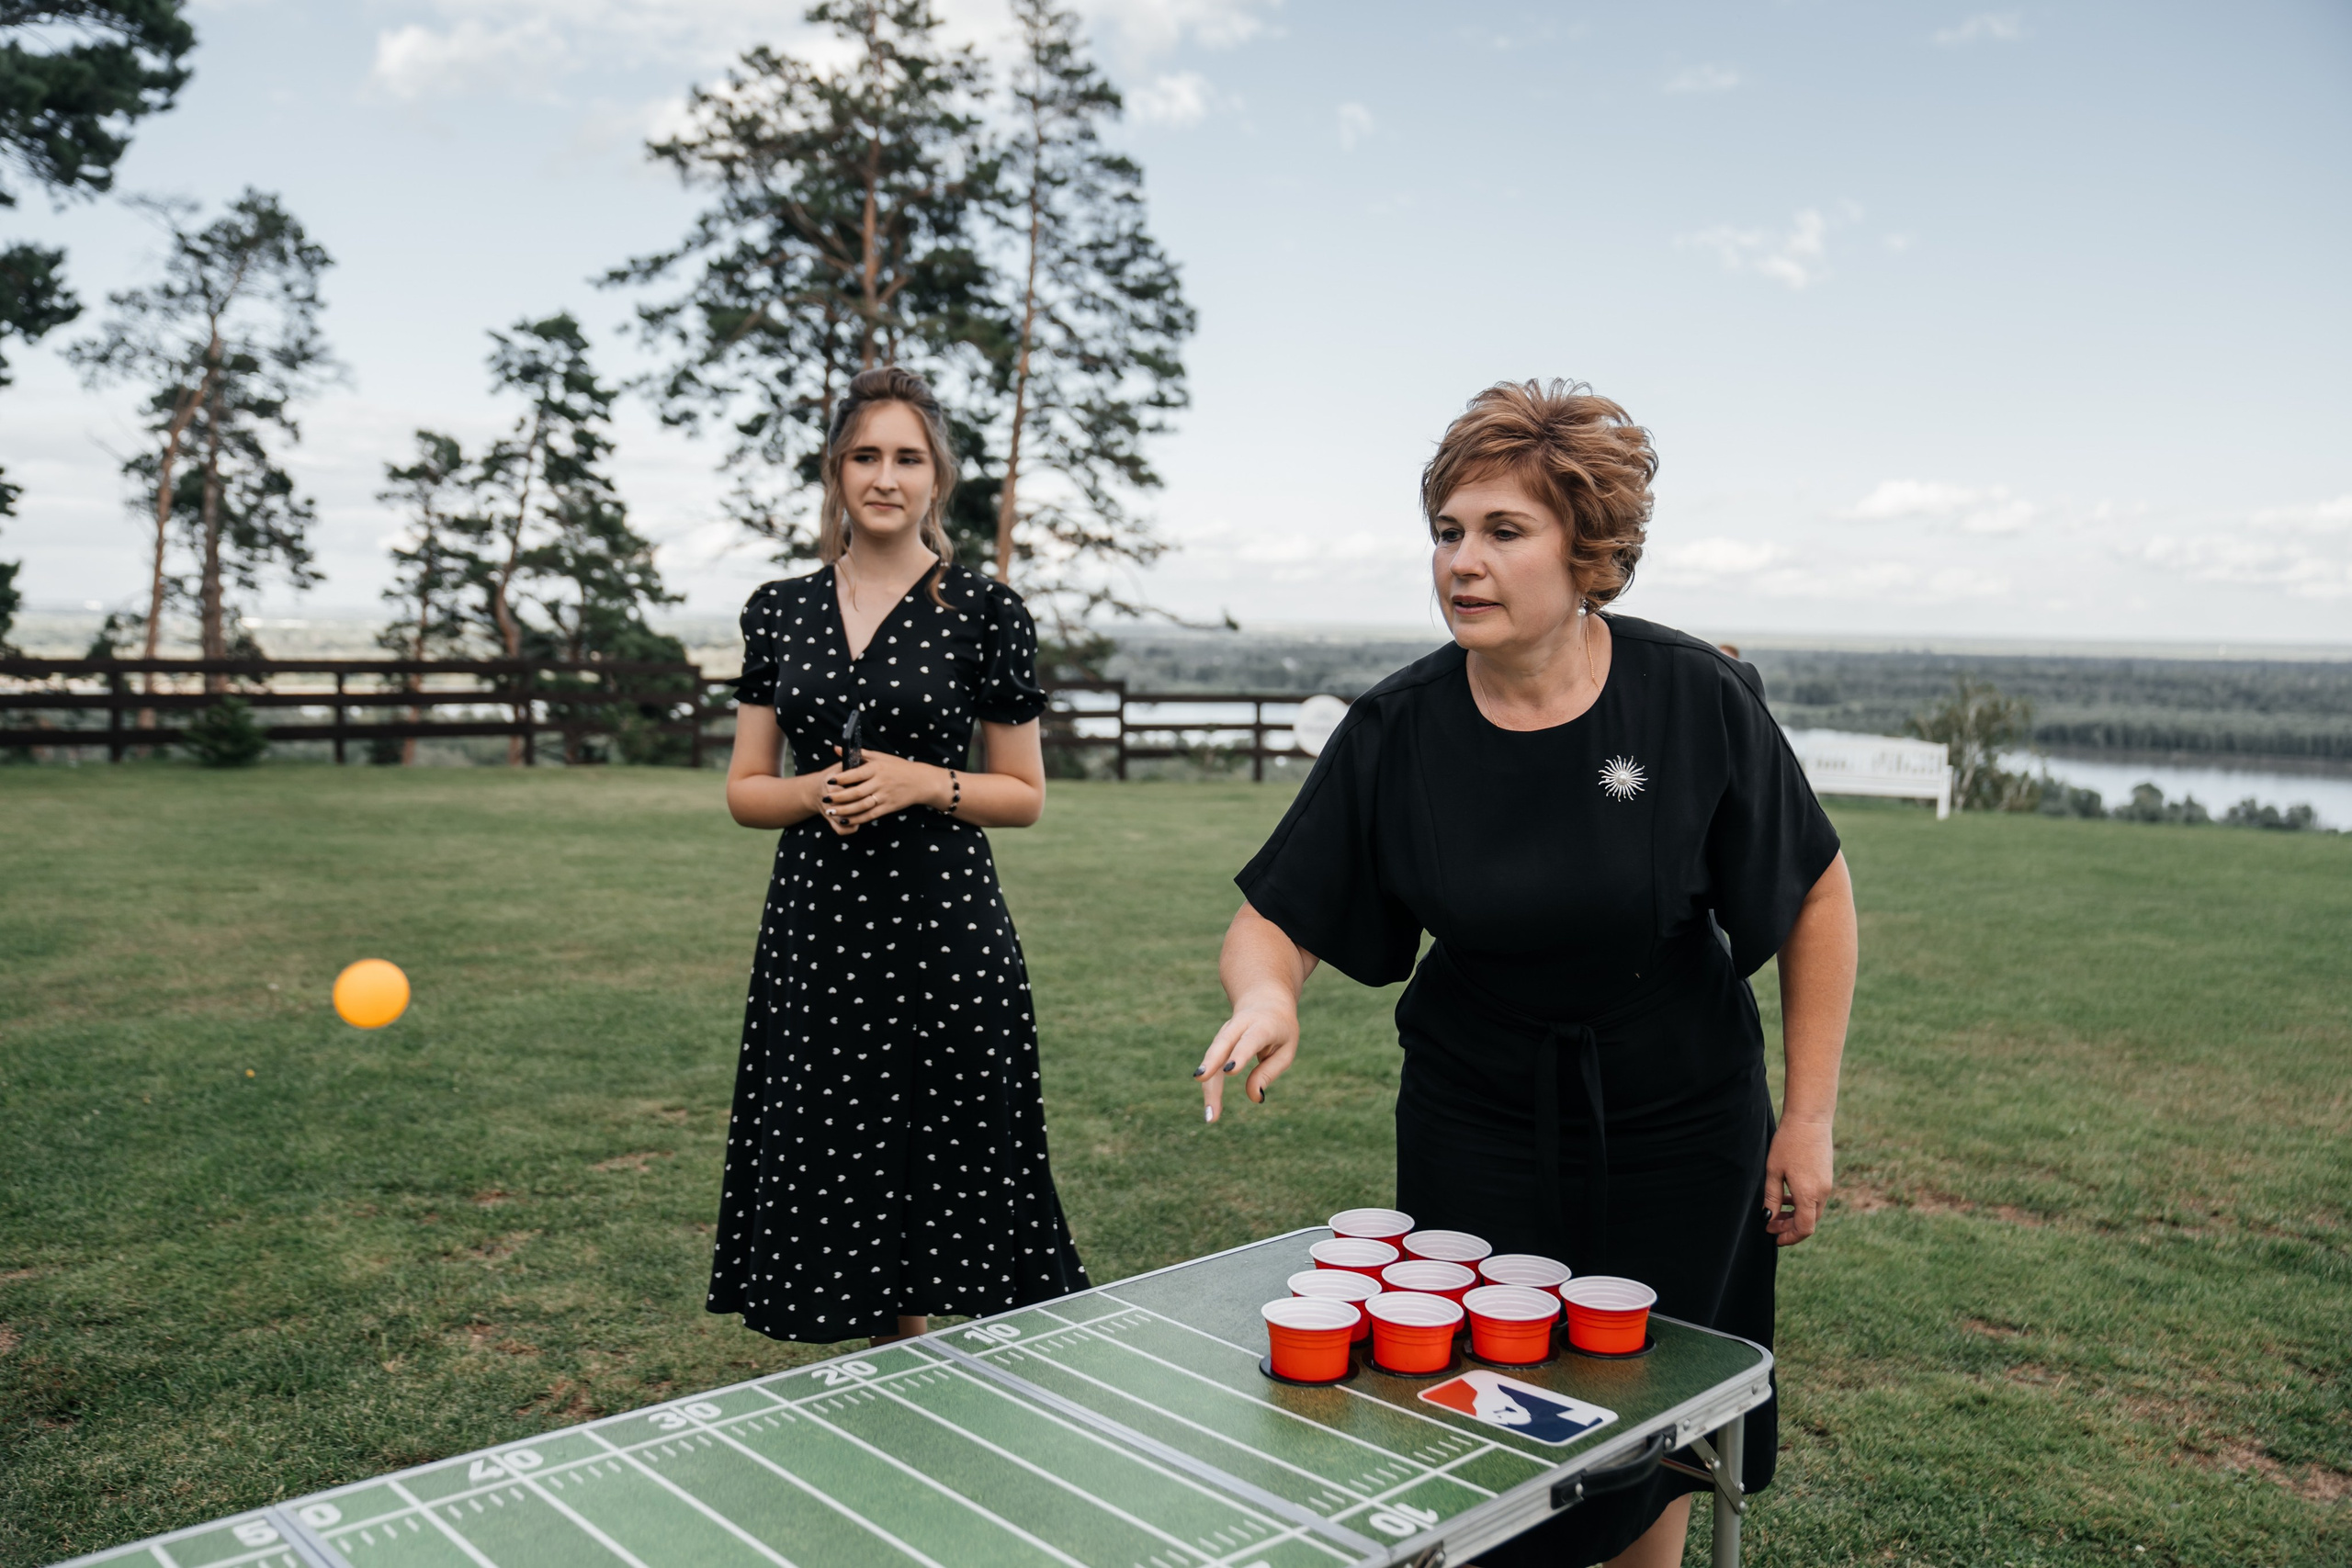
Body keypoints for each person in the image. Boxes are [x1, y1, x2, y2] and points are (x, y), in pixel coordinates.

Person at [1198, 380, 1857, 1567]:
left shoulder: (1693, 694)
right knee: (1482, 1412)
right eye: (1447, 530)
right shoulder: (1398, 726)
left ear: (1588, 550)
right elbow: (1273, 915)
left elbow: (1812, 890)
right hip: (1477, 1121)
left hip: (1680, 1116)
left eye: (1504, 531)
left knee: (1651, 1413)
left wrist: (1805, 1117)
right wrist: (1268, 991)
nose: (1463, 560)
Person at [709, 365, 1088, 1347]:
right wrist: (811, 794)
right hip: (818, 926)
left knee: (938, 1143)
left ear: (937, 478)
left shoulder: (985, 611)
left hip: (941, 924)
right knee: (837, 1145)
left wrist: (923, 782)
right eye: (865, 456)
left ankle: (920, 1366)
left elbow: (1024, 794)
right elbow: (747, 789)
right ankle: (884, 1363)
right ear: (836, 472)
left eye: (907, 458)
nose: (885, 476)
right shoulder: (778, 610)